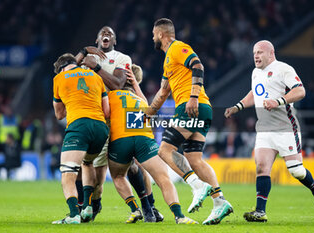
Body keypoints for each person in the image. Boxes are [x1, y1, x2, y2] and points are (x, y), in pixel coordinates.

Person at [224, 40, 314, 222]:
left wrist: (278, 101)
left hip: (285, 128)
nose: (256, 56)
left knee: (296, 171)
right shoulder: (255, 72)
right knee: (261, 167)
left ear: (271, 53)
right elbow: (255, 92)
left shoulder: (283, 69)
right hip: (264, 129)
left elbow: (300, 91)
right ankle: (260, 211)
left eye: (259, 52)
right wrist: (238, 106)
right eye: (254, 53)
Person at [146, 18, 233, 225]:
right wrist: (147, 113)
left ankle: (197, 185)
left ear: (160, 34)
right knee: (194, 159)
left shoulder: (177, 48)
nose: (152, 37)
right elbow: (162, 92)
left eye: (153, 34)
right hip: (202, 109)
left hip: (192, 105)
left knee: (165, 150)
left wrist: (193, 96)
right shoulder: (168, 60)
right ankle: (220, 202)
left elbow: (198, 65)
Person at [75, 26, 163, 222]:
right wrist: (82, 52)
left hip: (118, 115)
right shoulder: (84, 60)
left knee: (132, 164)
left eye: (110, 34)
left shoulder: (122, 58)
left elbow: (117, 84)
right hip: (96, 118)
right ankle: (92, 206)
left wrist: (95, 67)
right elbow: (69, 75)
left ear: (114, 41)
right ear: (96, 39)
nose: (106, 34)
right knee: (94, 170)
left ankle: (150, 206)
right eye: (102, 33)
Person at [107, 64, 198, 224]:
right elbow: (150, 110)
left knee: (118, 176)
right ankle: (179, 216)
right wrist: (135, 83)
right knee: (163, 179)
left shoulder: (110, 95)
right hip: (144, 140)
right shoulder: (141, 100)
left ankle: (135, 209)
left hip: (121, 140)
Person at [51, 53, 109, 224]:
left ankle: (74, 215)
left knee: (67, 174)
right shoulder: (96, 76)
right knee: (88, 163)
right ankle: (88, 207)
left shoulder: (59, 78)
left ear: (61, 69)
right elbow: (106, 112)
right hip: (100, 128)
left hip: (79, 126)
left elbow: (59, 114)